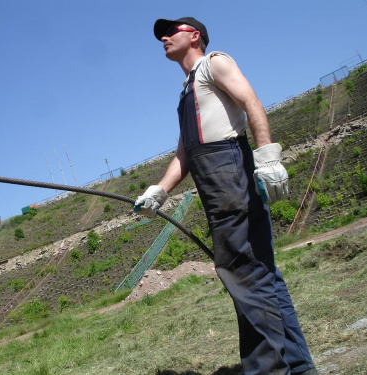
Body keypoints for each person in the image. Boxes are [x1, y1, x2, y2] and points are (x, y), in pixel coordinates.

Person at [134, 17, 317, 375]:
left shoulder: (214, 62)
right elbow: (185, 153)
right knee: (262, 272)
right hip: (214, 177)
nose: (165, 38)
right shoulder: (187, 89)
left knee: (242, 273)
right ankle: (298, 366)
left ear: (195, 36)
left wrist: (267, 157)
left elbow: (250, 101)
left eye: (172, 31)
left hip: (229, 172)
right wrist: (159, 191)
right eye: (162, 35)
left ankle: (267, 369)